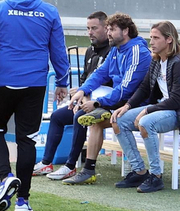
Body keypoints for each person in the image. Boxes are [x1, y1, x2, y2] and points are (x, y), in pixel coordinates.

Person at [0, 0, 71, 211]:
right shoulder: (49, 12)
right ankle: (23, 201)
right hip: (35, 84)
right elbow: (59, 51)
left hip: (4, 82)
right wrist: (62, 82)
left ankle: (5, 177)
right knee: (27, 140)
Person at [62, 12, 151, 185]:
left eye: (112, 29)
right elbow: (100, 73)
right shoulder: (116, 51)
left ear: (125, 31)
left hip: (137, 104)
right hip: (121, 102)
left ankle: (140, 170)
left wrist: (98, 102)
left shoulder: (137, 51)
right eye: (108, 29)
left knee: (103, 116)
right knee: (94, 119)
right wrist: (82, 90)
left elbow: (126, 88)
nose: (108, 33)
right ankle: (88, 170)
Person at [113, 21, 180, 192]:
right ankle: (139, 170)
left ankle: (156, 176)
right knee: (119, 120)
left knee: (146, 122)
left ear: (169, 40)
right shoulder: (156, 61)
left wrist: (147, 110)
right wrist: (127, 105)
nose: (151, 42)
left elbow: (177, 100)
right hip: (164, 108)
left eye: (156, 38)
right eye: (150, 37)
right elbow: (145, 88)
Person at [36, 11, 111, 180]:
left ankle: (70, 166)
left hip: (104, 104)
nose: (90, 32)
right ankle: (46, 162)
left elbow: (109, 84)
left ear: (107, 28)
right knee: (57, 116)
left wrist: (83, 97)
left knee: (79, 116)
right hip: (86, 100)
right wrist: (79, 94)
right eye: (88, 28)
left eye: (94, 28)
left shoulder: (113, 52)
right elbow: (85, 80)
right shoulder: (90, 52)